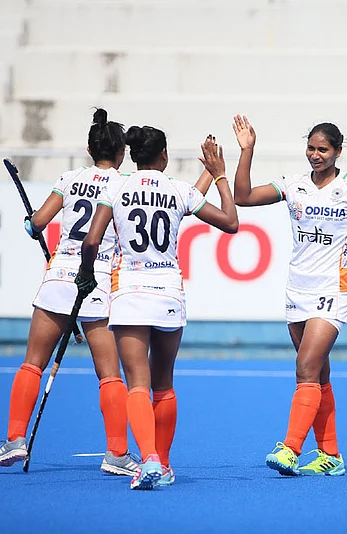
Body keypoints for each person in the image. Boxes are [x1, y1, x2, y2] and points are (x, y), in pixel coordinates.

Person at [77, 125, 239, 490]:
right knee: (163, 383)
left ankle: (148, 458)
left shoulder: (116, 187)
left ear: (134, 155)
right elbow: (231, 222)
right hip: (167, 292)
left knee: (137, 382)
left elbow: (91, 241)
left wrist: (85, 274)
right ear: (164, 155)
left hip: (129, 292)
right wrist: (219, 175)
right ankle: (163, 465)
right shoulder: (179, 189)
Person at [231, 115, 347, 476]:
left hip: (333, 289)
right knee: (318, 374)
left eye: (323, 150)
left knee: (305, 368)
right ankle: (331, 455)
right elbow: (243, 197)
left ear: (338, 152)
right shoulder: (294, 184)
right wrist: (247, 150)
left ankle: (290, 449)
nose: (315, 155)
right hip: (297, 289)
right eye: (311, 148)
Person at [0, 109, 139, 476]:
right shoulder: (126, 183)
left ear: (89, 149)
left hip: (59, 277)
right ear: (121, 152)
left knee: (32, 363)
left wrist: (30, 225)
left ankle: (15, 440)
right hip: (98, 279)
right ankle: (117, 454)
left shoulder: (69, 178)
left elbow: (38, 223)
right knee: (110, 374)